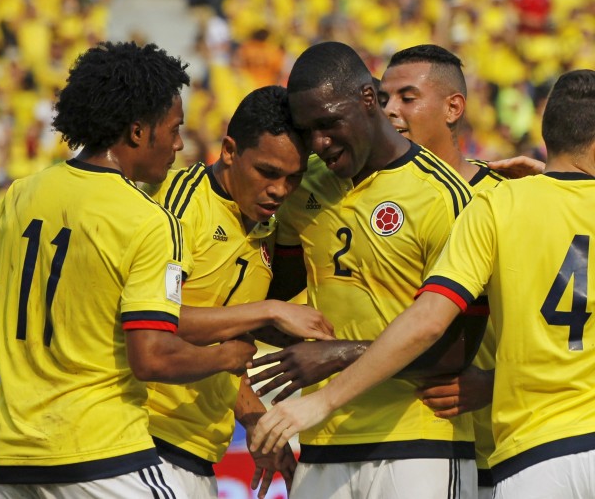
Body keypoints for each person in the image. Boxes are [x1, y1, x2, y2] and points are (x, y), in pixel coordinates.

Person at [251, 68, 595, 498]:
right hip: (338, 444)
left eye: (408, 97)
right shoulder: (312, 189)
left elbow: (433, 320)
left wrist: (327, 386)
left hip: (515, 452)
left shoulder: (493, 201)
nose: (394, 109)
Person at [0, 41, 258, 499]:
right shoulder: (150, 221)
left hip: (12, 460)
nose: (179, 144)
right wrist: (226, 357)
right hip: (103, 458)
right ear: (138, 131)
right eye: (174, 129)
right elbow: (152, 356)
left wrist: (13, 368)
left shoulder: (25, 192)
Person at [250, 41, 478, 499]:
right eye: (308, 129)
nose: (319, 142)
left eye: (329, 123)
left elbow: (457, 353)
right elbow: (271, 299)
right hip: (320, 442)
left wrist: (335, 354)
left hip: (419, 444)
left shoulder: (442, 196)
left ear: (368, 100)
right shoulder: (302, 189)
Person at [144, 85, 334, 499]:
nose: (280, 191)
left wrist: (254, 422)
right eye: (268, 173)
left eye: (293, 178)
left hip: (198, 452)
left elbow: (223, 349)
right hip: (142, 442)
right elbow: (153, 324)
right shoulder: (177, 209)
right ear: (229, 150)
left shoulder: (265, 224)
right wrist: (269, 311)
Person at [378, 43, 503, 497]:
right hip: (398, 443)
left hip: (500, 454)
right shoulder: (366, 196)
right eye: (383, 98)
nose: (390, 110)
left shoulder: (506, 196)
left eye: (407, 98)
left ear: (453, 108)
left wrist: (494, 384)